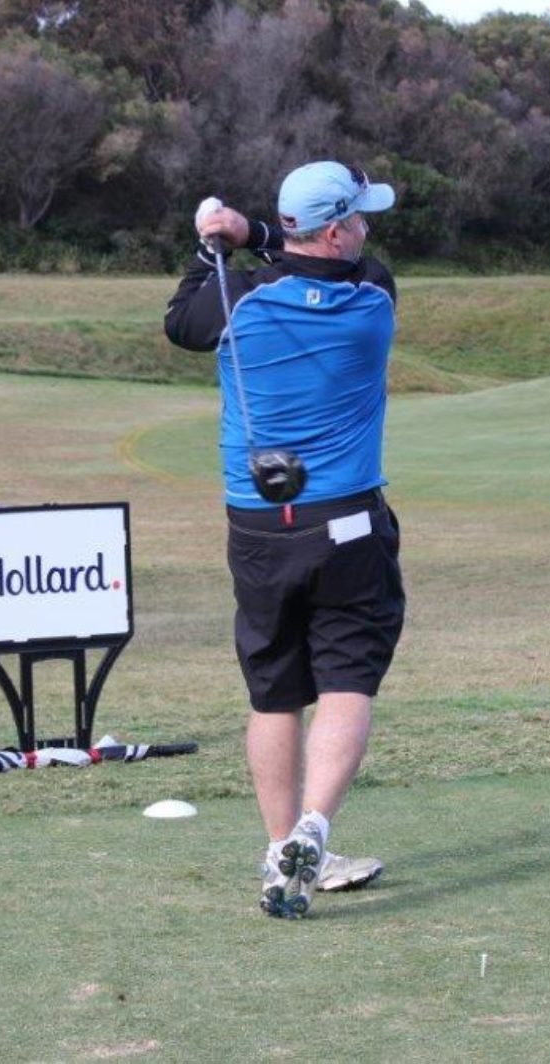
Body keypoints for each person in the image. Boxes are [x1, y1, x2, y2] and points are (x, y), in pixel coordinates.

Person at [164, 161, 405, 918]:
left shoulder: (236, 301)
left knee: (275, 693)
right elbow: (334, 262)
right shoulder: (373, 297)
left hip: (259, 525)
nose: (365, 229)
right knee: (346, 681)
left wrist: (214, 242)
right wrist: (255, 233)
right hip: (349, 524)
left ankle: (281, 851)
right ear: (334, 233)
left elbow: (183, 322)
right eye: (357, 218)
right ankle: (314, 828)